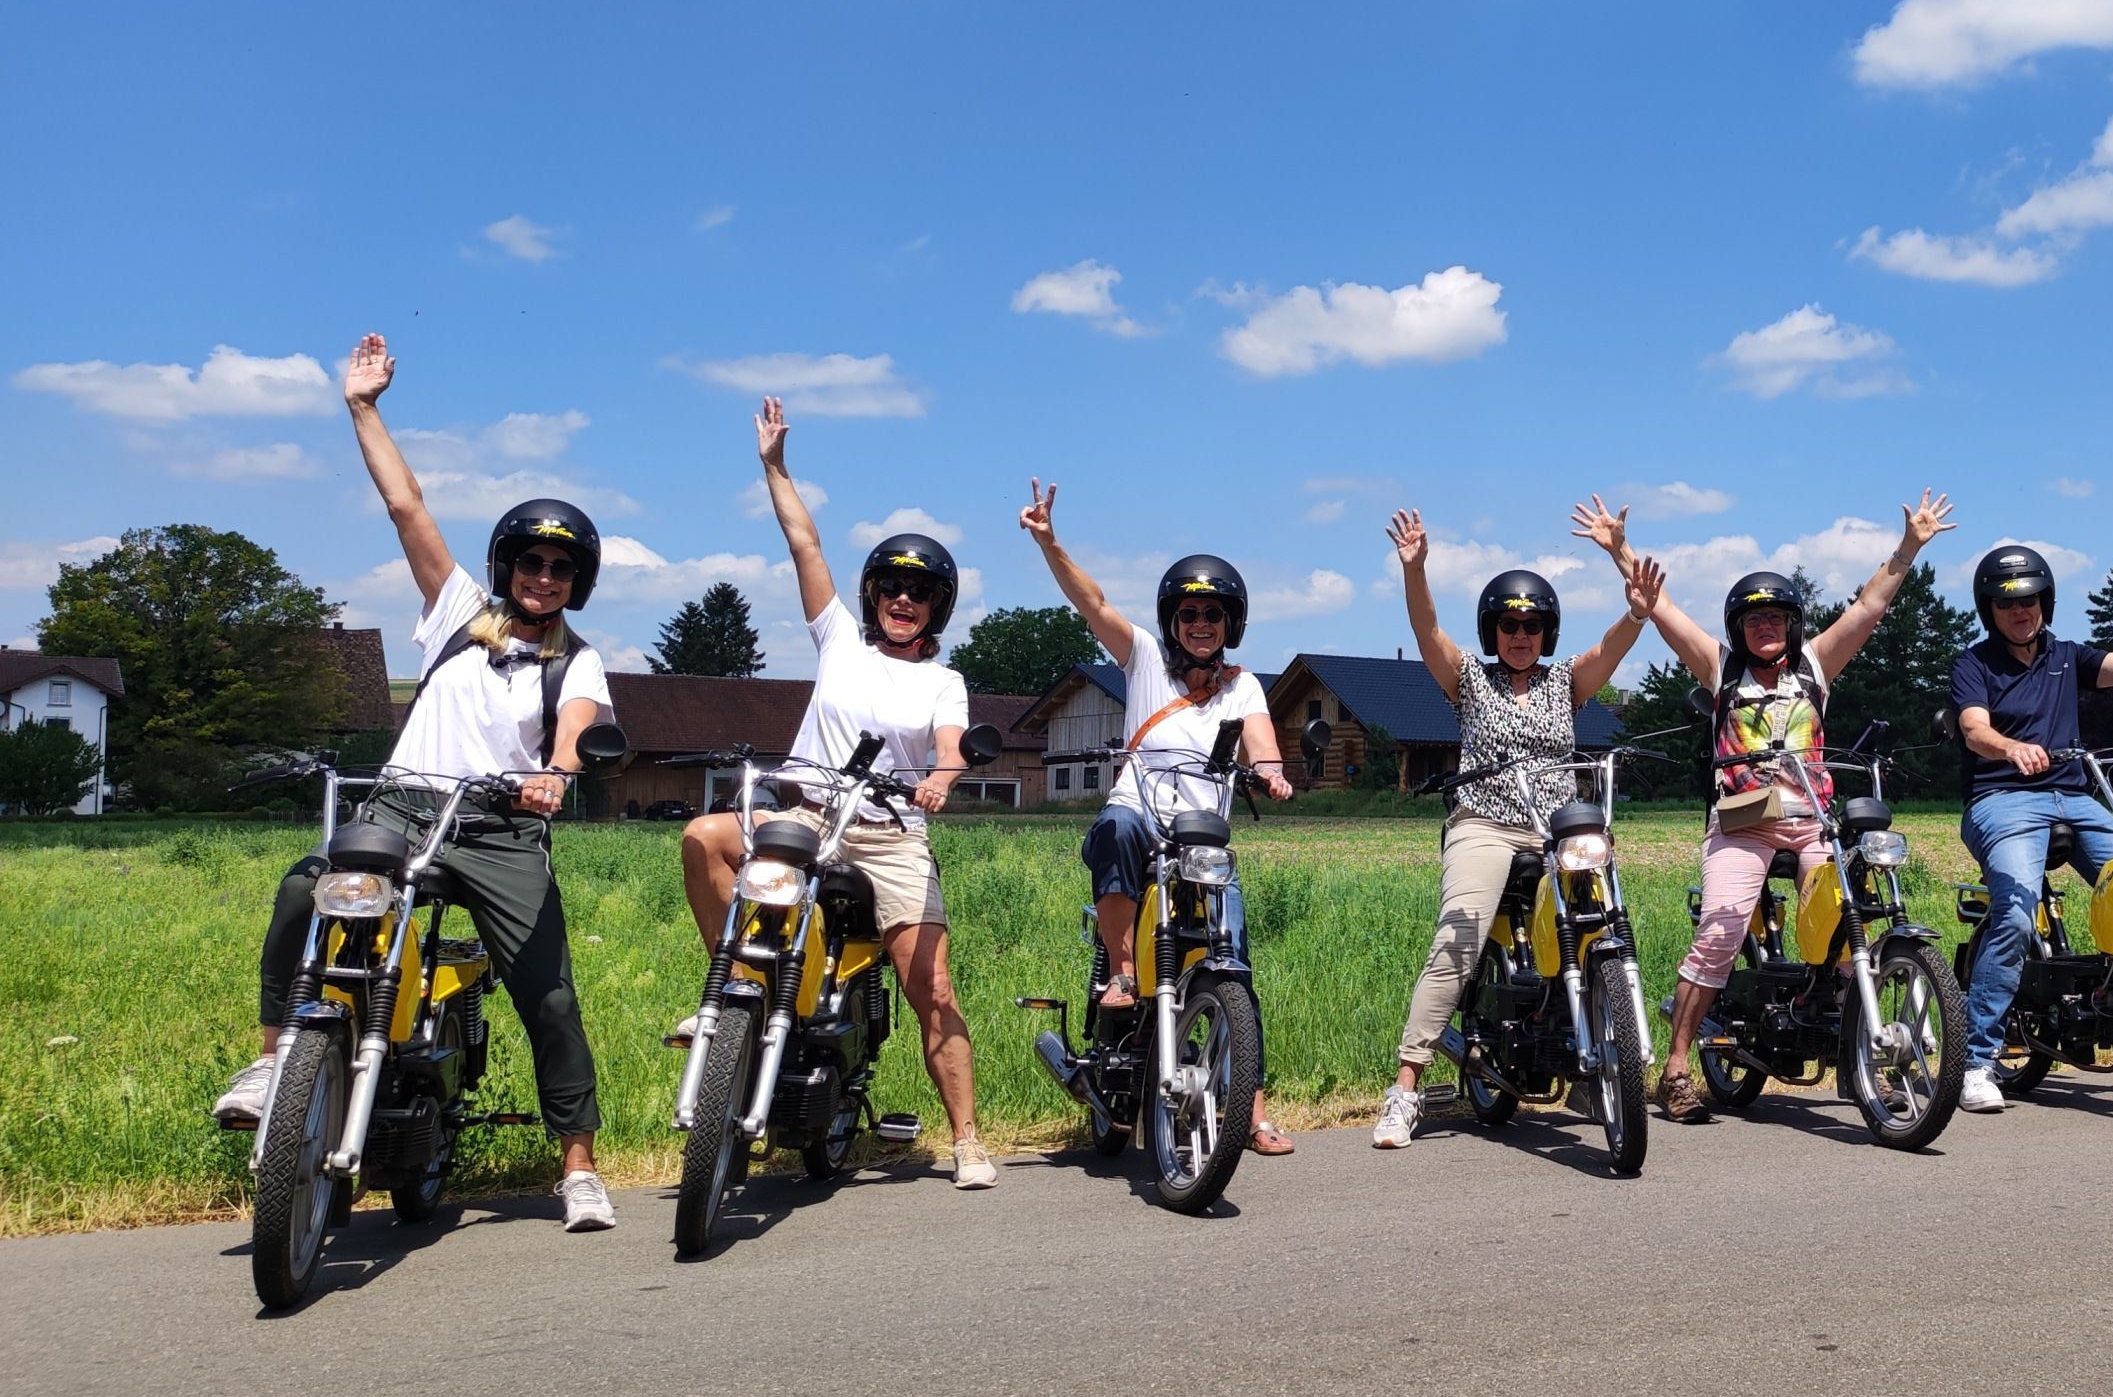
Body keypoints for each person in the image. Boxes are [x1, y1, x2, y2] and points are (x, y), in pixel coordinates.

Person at [210, 334, 620, 1231]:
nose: (543, 577)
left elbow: (577, 736)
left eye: (561, 568)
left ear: (577, 582)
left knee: (549, 994)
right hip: (403, 807)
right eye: (531, 561)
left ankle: (578, 1166)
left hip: (502, 826)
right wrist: (363, 407)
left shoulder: (578, 662)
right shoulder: (457, 614)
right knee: (303, 891)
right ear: (506, 564)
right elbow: (407, 506)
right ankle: (275, 1062)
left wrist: (554, 777)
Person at [675, 398, 995, 1188]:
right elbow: (805, 543)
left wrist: (939, 780)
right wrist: (774, 466)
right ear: (872, 594)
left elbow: (951, 748)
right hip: (809, 816)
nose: (903, 600)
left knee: (933, 988)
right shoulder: (839, 642)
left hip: (890, 834)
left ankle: (966, 1139)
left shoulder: (943, 680)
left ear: (937, 607)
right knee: (705, 836)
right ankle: (737, 986)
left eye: (919, 593)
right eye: (891, 587)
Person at [1622, 491, 1955, 1123]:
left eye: (1775, 617)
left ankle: (1858, 1052)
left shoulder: (1815, 666)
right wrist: (1619, 549)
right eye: (1753, 620)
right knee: (1720, 929)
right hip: (1743, 822)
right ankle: (1675, 1068)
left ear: (1793, 624)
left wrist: (1910, 545)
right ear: (1737, 630)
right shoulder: (1721, 669)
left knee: (1846, 922)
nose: (1765, 627)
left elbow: (1870, 606)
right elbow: (1661, 608)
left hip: (1811, 823)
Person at [1018, 483, 1305, 1152]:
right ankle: (1122, 971)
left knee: (1235, 971)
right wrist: (1049, 542)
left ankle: (1252, 1112)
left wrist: (1272, 772)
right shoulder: (1145, 659)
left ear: (1230, 624)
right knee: (1115, 826)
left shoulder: (1243, 685)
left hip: (1201, 839)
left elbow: (1262, 740)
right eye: (1188, 614)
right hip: (1142, 821)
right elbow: (1093, 604)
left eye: (1212, 615)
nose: (1200, 624)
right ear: (1172, 622)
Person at [1369, 504, 1664, 1148]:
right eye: (1509, 624)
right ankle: (1406, 1089)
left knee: (1602, 922)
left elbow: (1607, 650)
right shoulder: (1470, 681)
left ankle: (1591, 1054)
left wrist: (1638, 613)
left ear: (1546, 631)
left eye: (1532, 624)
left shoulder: (1565, 684)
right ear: (1493, 630)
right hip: (1485, 822)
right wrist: (1415, 570)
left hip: (1558, 829)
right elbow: (1427, 631)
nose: (1520, 635)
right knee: (1459, 938)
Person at [1948, 541, 2113, 1114]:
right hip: (2001, 799)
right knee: (2015, 914)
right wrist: (2011, 748)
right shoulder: (1973, 663)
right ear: (1989, 609)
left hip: (2075, 797)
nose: (2021, 611)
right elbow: (1973, 730)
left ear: (2047, 601)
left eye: (2031, 600)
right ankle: (1978, 1064)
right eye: (2007, 603)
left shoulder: (2067, 656)